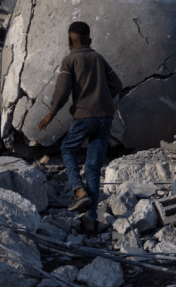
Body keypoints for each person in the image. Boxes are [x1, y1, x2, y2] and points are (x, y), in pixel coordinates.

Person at [38, 22, 122, 230]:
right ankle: (91, 220)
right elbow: (117, 85)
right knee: (93, 167)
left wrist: (51, 114)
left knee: (67, 149)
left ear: (69, 41)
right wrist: (102, 99)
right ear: (90, 40)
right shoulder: (99, 58)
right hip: (105, 117)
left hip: (83, 116)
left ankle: (78, 190)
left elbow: (62, 93)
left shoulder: (70, 60)